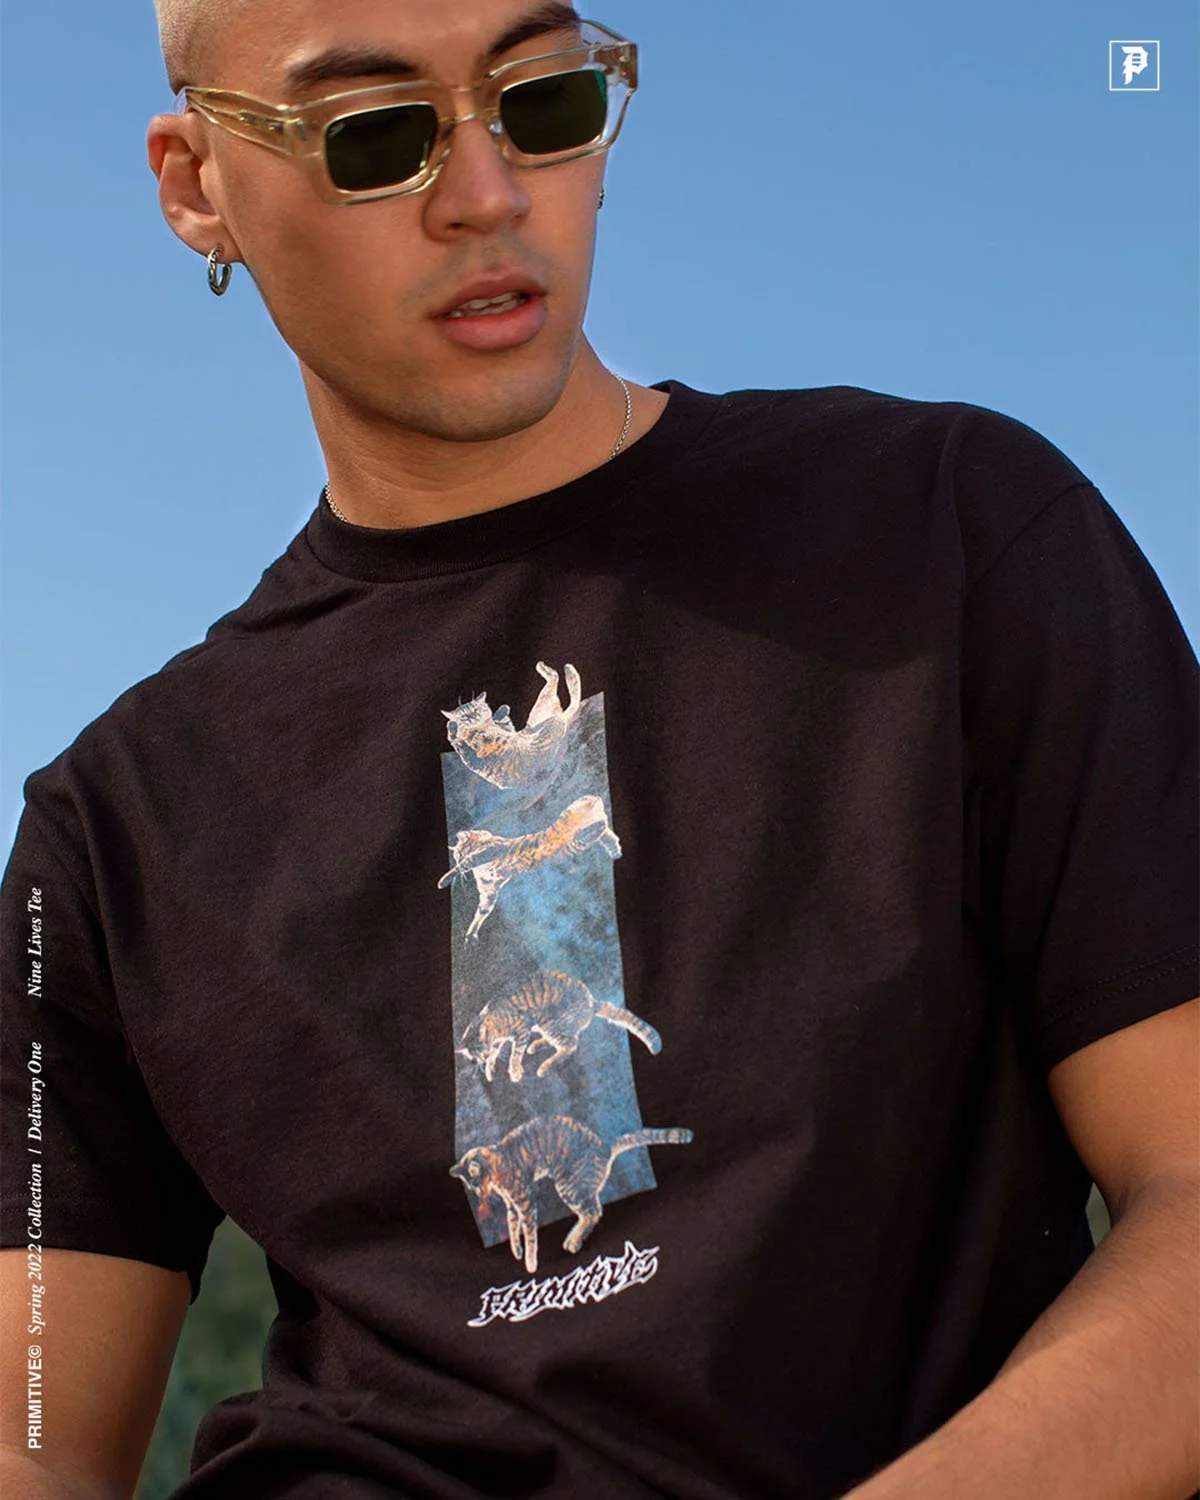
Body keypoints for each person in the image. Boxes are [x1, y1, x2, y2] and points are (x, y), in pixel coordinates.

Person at [1, 1, 1197, 1497]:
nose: (487, 192)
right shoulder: (115, 827)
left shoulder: (951, 533)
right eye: (375, 136)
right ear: (198, 187)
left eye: (543, 102)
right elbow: (31, 1438)